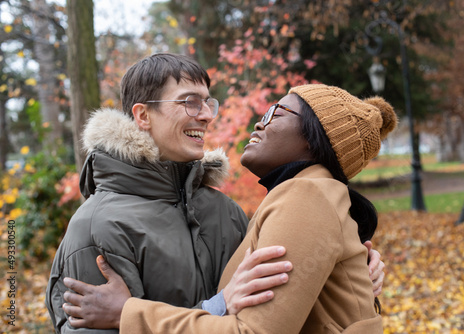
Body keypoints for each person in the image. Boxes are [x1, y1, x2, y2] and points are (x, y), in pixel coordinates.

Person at [62, 83, 396, 333]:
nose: (258, 123)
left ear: (315, 136)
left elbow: (251, 331)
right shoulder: (291, 198)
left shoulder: (306, 195)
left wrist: (127, 313)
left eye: (275, 113)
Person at [46, 53, 296, 334]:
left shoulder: (226, 211)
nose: (206, 116)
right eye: (190, 102)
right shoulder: (99, 227)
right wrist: (217, 306)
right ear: (143, 115)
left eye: (207, 103)